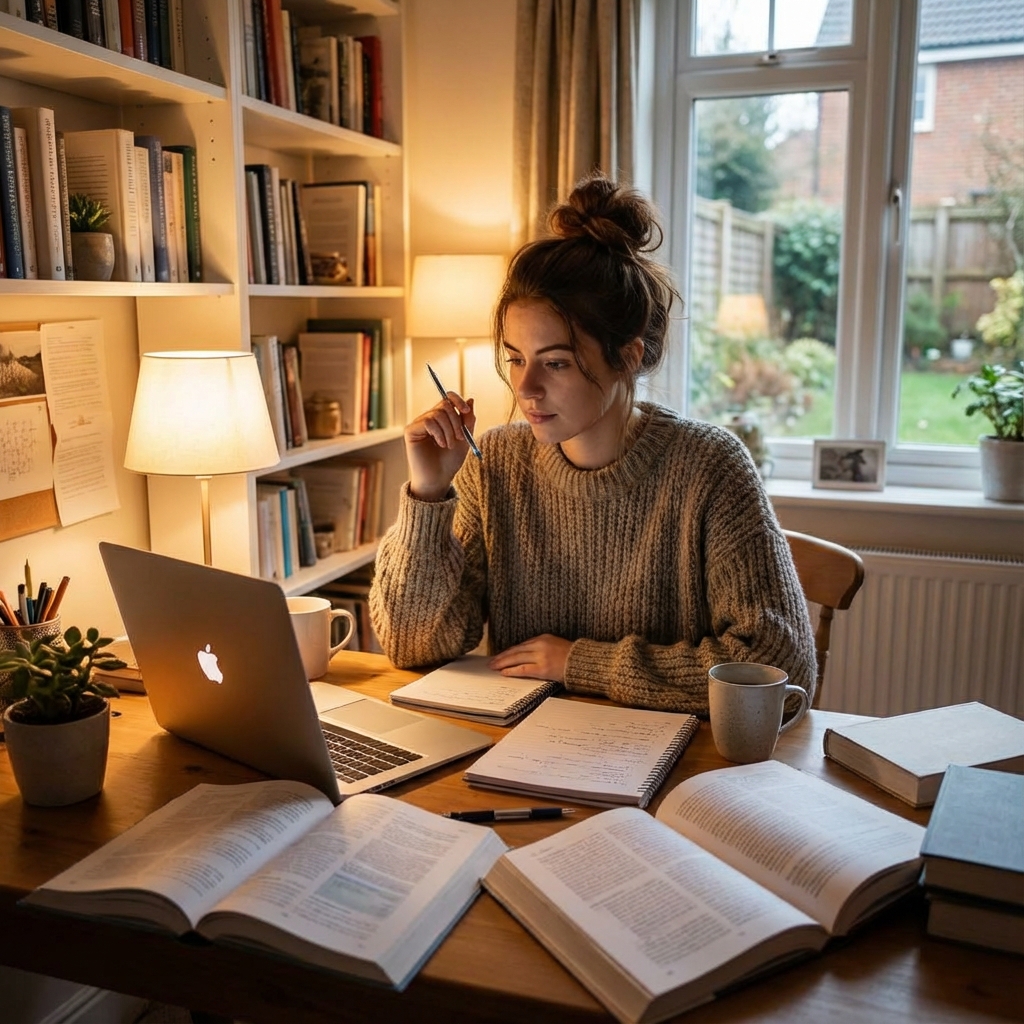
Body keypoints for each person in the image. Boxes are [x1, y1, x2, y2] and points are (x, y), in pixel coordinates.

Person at [369, 175, 815, 715]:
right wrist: (428, 493)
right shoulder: (496, 464)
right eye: (515, 359)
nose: (525, 388)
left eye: (555, 363)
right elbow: (411, 646)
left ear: (627, 357)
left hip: (670, 756)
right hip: (520, 747)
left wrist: (582, 663)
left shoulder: (709, 466)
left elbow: (778, 668)